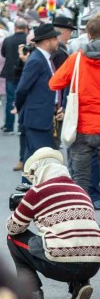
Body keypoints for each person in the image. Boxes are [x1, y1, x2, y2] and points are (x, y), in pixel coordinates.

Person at [8, 148, 100, 299]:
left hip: (61, 264)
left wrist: (23, 209)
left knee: (12, 239)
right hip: (93, 264)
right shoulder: (81, 191)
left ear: (38, 170)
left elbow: (13, 228)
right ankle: (80, 284)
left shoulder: (37, 191)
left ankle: (32, 293)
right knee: (74, 235)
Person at [51, 20, 100, 193]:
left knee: (80, 180)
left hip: (82, 126)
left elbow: (54, 83)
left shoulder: (77, 59)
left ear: (89, 35)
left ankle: (82, 209)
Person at [15, 23, 61, 162]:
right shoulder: (36, 60)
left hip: (42, 117)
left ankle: (28, 177)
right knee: (39, 159)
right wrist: (22, 109)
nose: (58, 42)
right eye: (55, 39)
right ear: (46, 41)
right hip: (37, 119)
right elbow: (22, 89)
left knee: (35, 159)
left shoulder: (43, 58)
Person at [0, 18, 28, 135]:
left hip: (10, 73)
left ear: (15, 27)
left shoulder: (8, 40)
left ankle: (9, 126)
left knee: (10, 99)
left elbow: (3, 54)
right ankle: (21, 126)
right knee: (24, 99)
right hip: (24, 73)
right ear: (26, 28)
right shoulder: (27, 40)